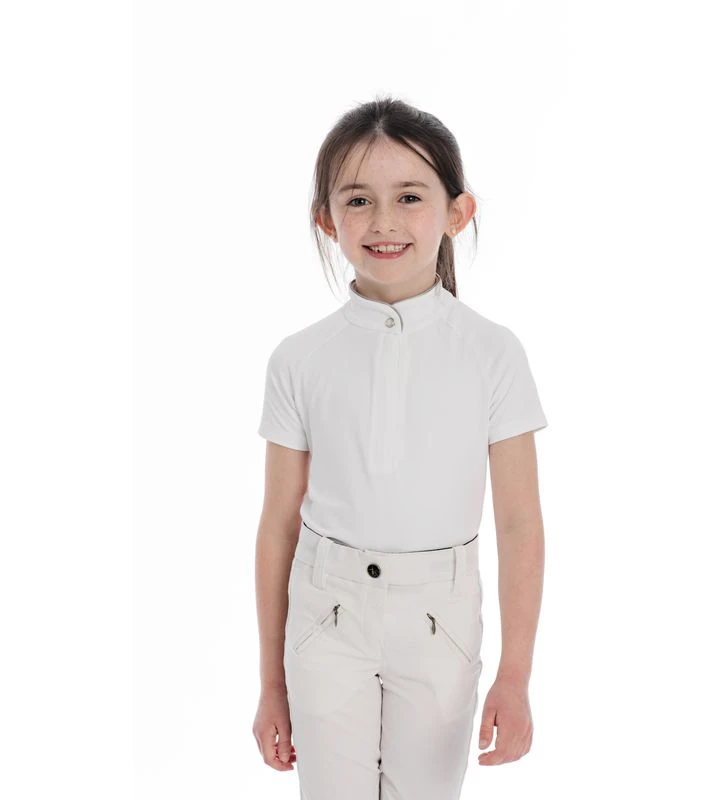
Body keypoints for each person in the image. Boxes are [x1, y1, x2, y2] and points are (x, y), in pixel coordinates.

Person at [252, 95, 548, 800]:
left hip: (440, 621)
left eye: (409, 197)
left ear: (456, 213)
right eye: (358, 200)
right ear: (327, 219)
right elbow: (278, 525)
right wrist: (271, 684)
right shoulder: (300, 359)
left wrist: (515, 676)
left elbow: (519, 523)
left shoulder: (492, 353)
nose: (384, 221)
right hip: (326, 617)